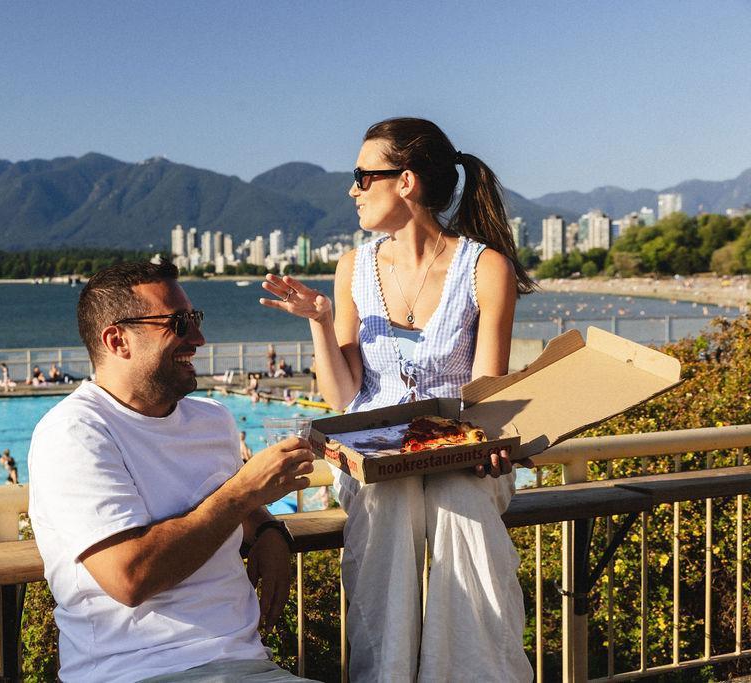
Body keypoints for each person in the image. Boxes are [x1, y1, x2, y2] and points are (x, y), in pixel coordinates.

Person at [260, 117, 536, 681]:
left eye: (362, 176)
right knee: (391, 501)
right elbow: (343, 396)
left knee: (460, 504)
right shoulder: (353, 268)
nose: (352, 189)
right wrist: (320, 320)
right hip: (375, 455)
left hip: (460, 451)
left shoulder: (485, 268)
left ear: (405, 181)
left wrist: (479, 446)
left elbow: (485, 392)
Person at [28, 261, 317, 682]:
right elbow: (130, 578)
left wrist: (269, 530)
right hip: (136, 670)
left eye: (195, 319)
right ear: (117, 339)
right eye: (178, 323)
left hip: (245, 664)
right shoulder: (74, 433)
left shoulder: (213, 420)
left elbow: (215, 494)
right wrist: (244, 493)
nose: (198, 338)